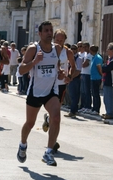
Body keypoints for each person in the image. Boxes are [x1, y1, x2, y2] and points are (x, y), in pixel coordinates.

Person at [16, 21, 66, 166]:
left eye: (51, 30)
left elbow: (56, 66)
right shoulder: (33, 49)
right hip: (35, 92)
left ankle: (49, 152)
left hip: (51, 91)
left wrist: (61, 73)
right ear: (40, 33)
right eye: (46, 31)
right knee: (30, 123)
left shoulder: (57, 49)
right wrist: (35, 62)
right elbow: (21, 70)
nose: (50, 33)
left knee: (56, 118)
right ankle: (23, 145)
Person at [42, 28, 76, 154]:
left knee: (56, 115)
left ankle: (53, 141)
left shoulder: (68, 53)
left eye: (61, 40)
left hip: (61, 85)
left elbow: (74, 67)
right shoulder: (46, 49)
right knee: (51, 112)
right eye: (57, 39)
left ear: (64, 40)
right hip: (47, 84)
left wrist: (69, 77)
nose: (59, 42)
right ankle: (48, 119)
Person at [101, 42, 113, 119]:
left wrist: (102, 67)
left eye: (108, 49)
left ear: (112, 50)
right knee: (110, 97)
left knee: (108, 98)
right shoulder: (110, 59)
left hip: (110, 81)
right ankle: (111, 112)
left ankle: (110, 113)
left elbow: (107, 68)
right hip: (107, 80)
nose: (106, 51)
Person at [64, 44, 83, 118]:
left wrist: (71, 77)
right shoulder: (70, 57)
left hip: (75, 79)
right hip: (71, 78)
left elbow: (78, 70)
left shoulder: (79, 58)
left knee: (74, 95)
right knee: (72, 95)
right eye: (72, 49)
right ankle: (74, 109)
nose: (73, 50)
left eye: (74, 49)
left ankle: (73, 111)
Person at [78, 41, 93, 114]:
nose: (84, 48)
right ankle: (84, 106)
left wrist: (80, 64)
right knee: (83, 91)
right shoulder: (85, 54)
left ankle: (88, 106)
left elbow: (85, 64)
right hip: (83, 73)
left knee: (87, 91)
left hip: (87, 74)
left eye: (85, 47)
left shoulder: (89, 55)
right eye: (83, 47)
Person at [89, 45, 103, 115]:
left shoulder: (97, 58)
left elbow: (99, 68)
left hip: (96, 78)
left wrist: (101, 76)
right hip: (93, 78)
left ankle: (97, 109)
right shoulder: (93, 57)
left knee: (96, 94)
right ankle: (94, 108)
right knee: (94, 94)